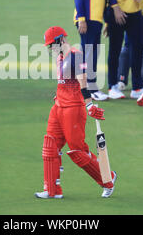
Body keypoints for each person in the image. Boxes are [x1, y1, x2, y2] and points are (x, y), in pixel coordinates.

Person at [35, 26, 117, 199]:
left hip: (73, 109)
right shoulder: (60, 57)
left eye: (52, 44)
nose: (50, 48)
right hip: (58, 107)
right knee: (51, 146)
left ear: (60, 40)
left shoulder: (75, 55)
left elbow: (83, 82)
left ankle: (108, 179)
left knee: (78, 152)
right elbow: (64, 82)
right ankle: (52, 190)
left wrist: (89, 105)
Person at [74, 0, 109, 101]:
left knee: (93, 53)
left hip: (97, 19)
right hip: (86, 19)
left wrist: (106, 22)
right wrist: (81, 18)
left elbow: (104, 0)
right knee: (89, 54)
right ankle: (89, 88)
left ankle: (86, 87)